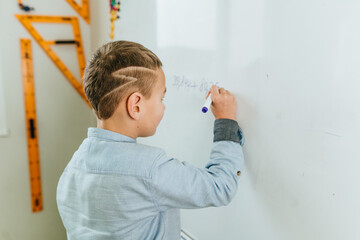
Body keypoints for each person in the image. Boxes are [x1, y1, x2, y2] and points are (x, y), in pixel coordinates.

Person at [56, 40, 245, 240]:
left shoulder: (74, 165)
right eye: (161, 99)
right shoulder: (149, 170)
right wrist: (225, 121)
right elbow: (220, 187)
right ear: (136, 105)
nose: (163, 107)